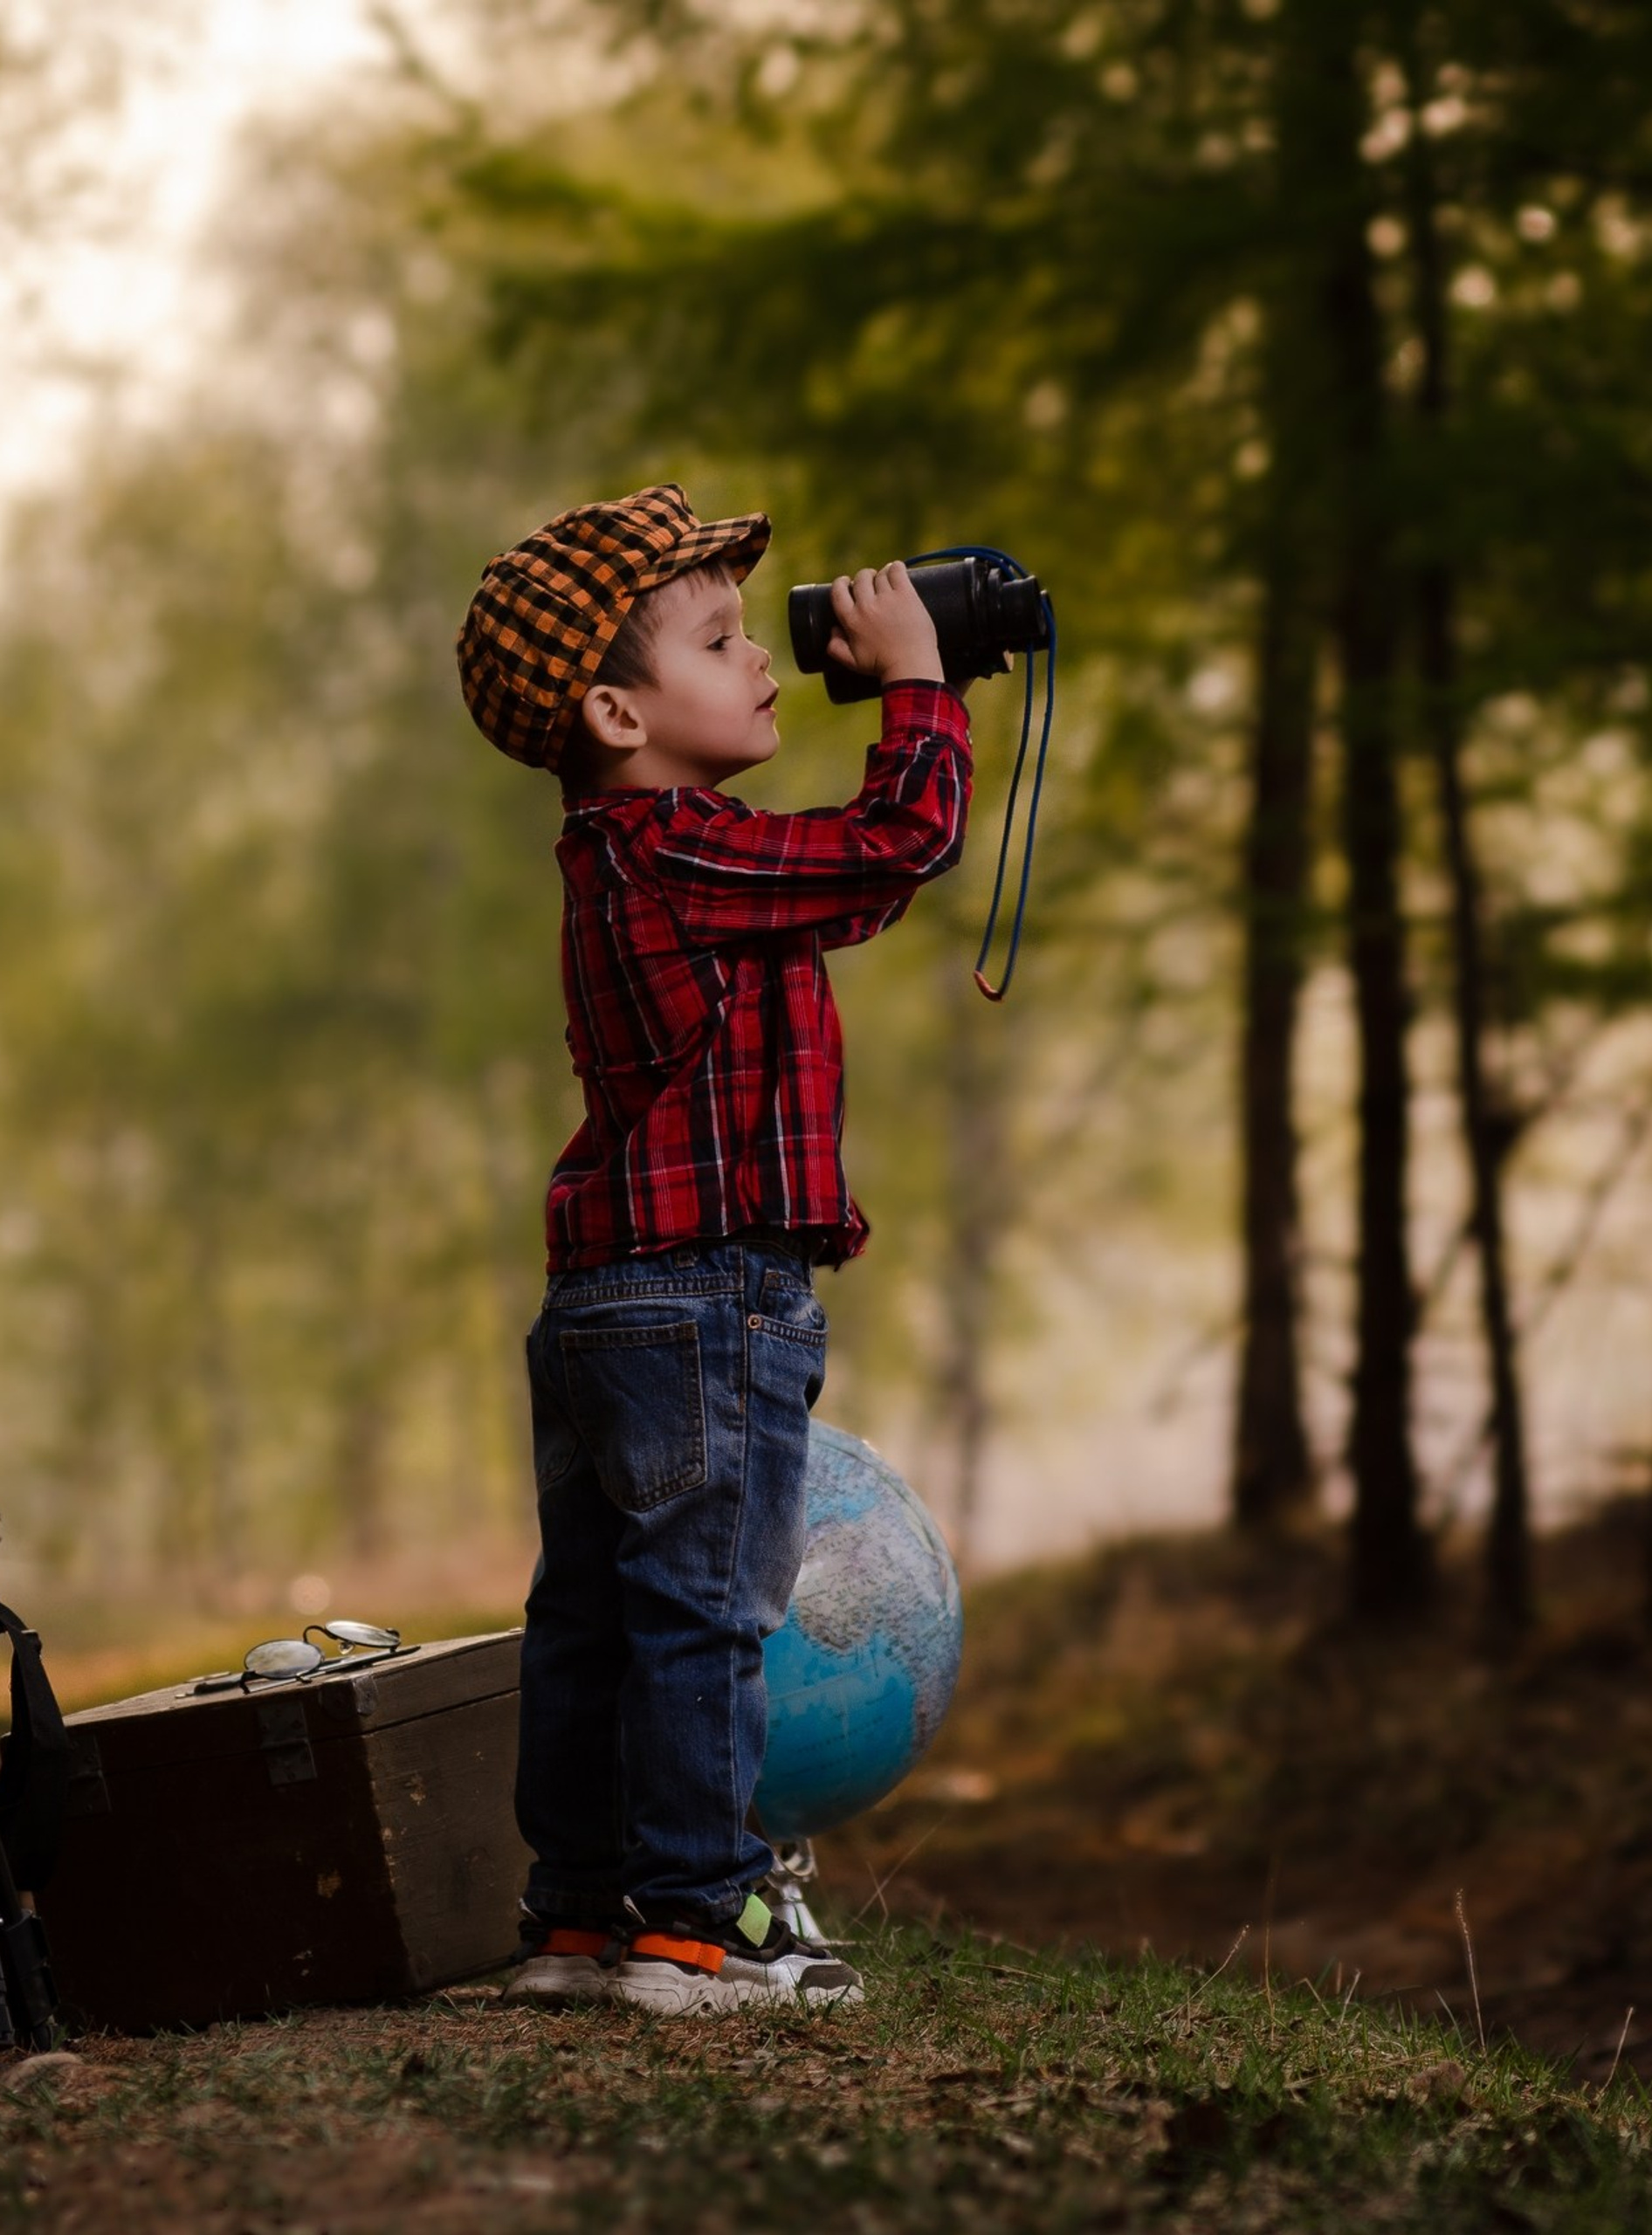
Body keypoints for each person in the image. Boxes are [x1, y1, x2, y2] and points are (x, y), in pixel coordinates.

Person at [454, 484, 972, 2012]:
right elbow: (906, 838)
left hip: (607, 1297)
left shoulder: (646, 860)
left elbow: (850, 888)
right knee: (703, 1613)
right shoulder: (675, 850)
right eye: (721, 639)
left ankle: (581, 1912)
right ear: (616, 709)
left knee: (595, 1616)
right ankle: (700, 1921)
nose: (764, 661)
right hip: (705, 1290)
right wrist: (921, 688)